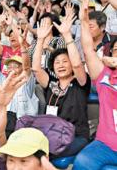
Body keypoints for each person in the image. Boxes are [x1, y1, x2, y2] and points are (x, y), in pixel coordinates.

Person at [32, 10, 90, 157]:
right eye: (57, 62)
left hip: (76, 136)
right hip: (51, 134)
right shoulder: (51, 84)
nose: (61, 65)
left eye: (65, 61)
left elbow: (78, 65)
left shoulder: (81, 82)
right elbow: (36, 69)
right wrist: (39, 40)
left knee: (42, 153)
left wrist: (66, 35)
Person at [72, 0, 117, 170]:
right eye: (114, 50)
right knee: (82, 161)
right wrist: (83, 22)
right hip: (105, 145)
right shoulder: (104, 74)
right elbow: (88, 49)